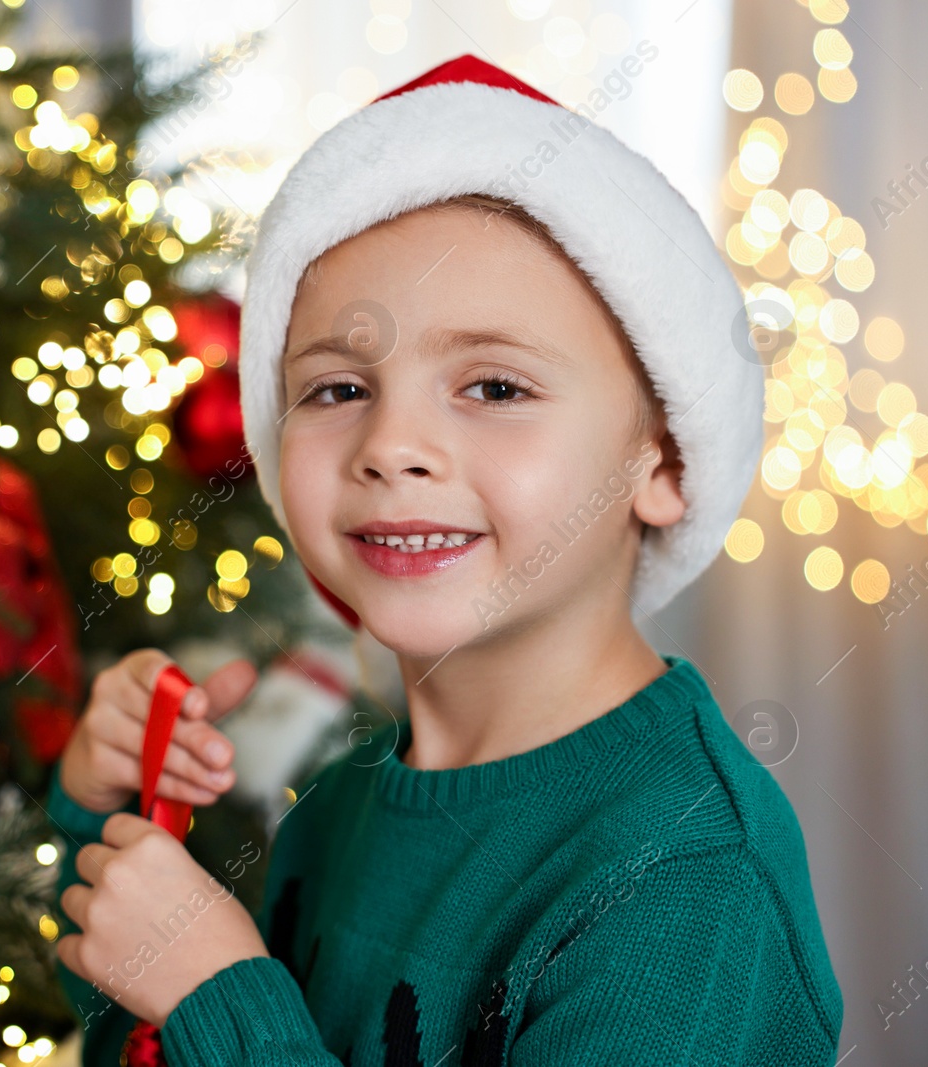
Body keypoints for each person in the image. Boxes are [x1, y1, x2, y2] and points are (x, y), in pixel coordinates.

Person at [43, 54, 843, 1066]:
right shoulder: (340, 808)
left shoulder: (687, 879)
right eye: (336, 389)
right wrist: (113, 823)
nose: (390, 445)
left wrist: (223, 992)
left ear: (667, 460)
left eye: (495, 387)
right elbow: (156, 1043)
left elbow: (235, 1026)